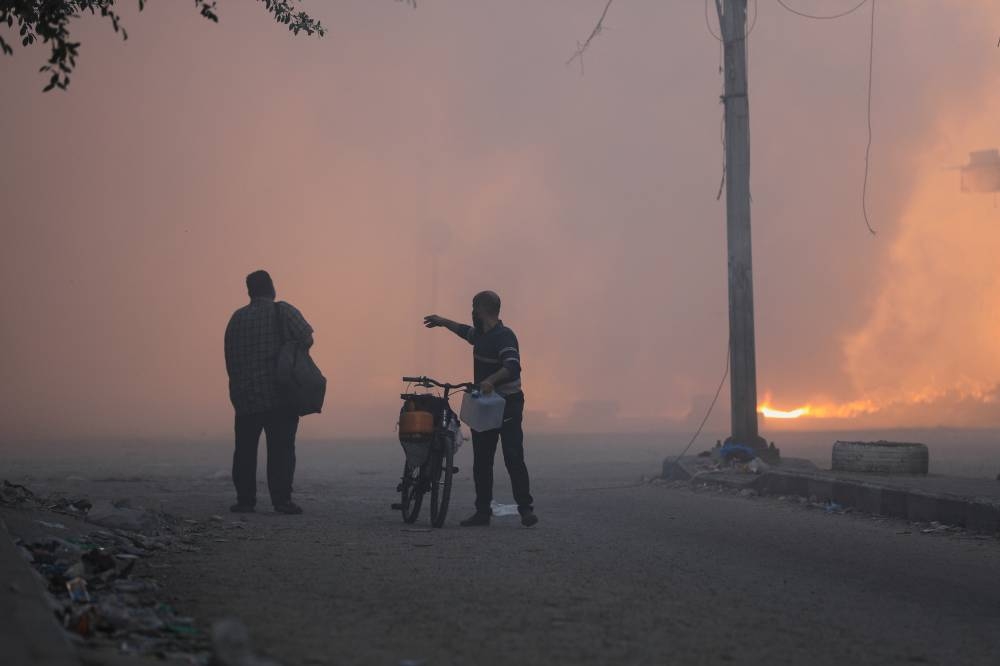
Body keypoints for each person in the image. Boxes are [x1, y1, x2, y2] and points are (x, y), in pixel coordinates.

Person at [424, 291, 538, 527]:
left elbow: (513, 366)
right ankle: (482, 512)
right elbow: (465, 332)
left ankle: (526, 509)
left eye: (473, 308)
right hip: (485, 407)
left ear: (482, 309)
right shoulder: (482, 335)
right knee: (482, 460)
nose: (471, 313)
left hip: (508, 404)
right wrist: (443, 321)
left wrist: (490, 381)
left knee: (513, 456)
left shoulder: (504, 337)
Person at [224, 270, 314, 514]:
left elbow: (230, 358)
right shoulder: (282, 310)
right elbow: (307, 337)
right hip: (279, 395)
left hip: (245, 397)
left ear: (250, 291)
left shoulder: (236, 318)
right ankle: (281, 500)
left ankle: (245, 500)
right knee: (281, 449)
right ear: (271, 288)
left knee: (244, 450)